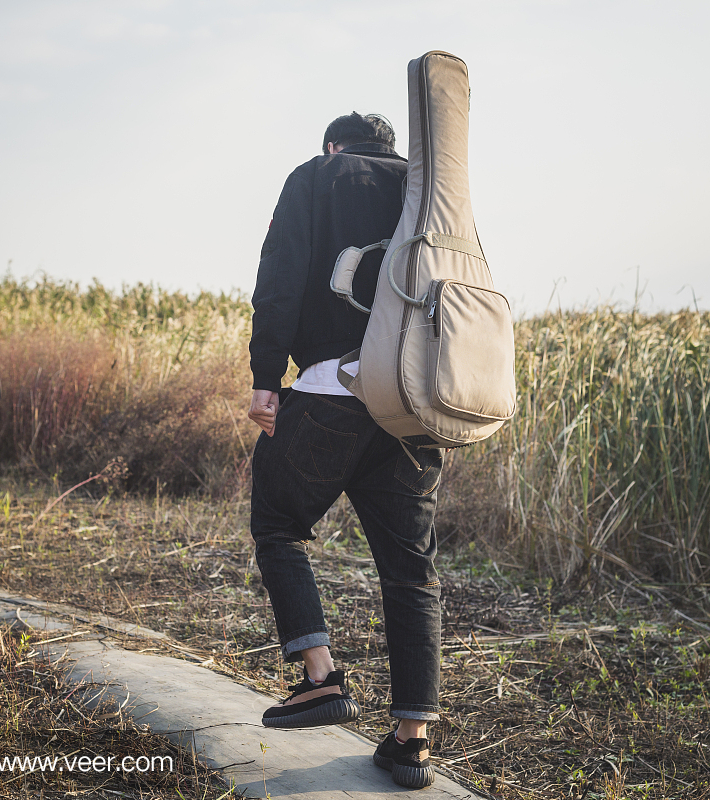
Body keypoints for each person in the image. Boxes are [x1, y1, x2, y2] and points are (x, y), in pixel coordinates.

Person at [248, 112, 442, 789]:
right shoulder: (431, 188)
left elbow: (279, 280)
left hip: (332, 391)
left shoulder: (317, 176)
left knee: (277, 522)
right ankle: (412, 740)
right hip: (414, 407)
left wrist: (266, 380)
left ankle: (320, 676)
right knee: (410, 570)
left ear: (334, 144)